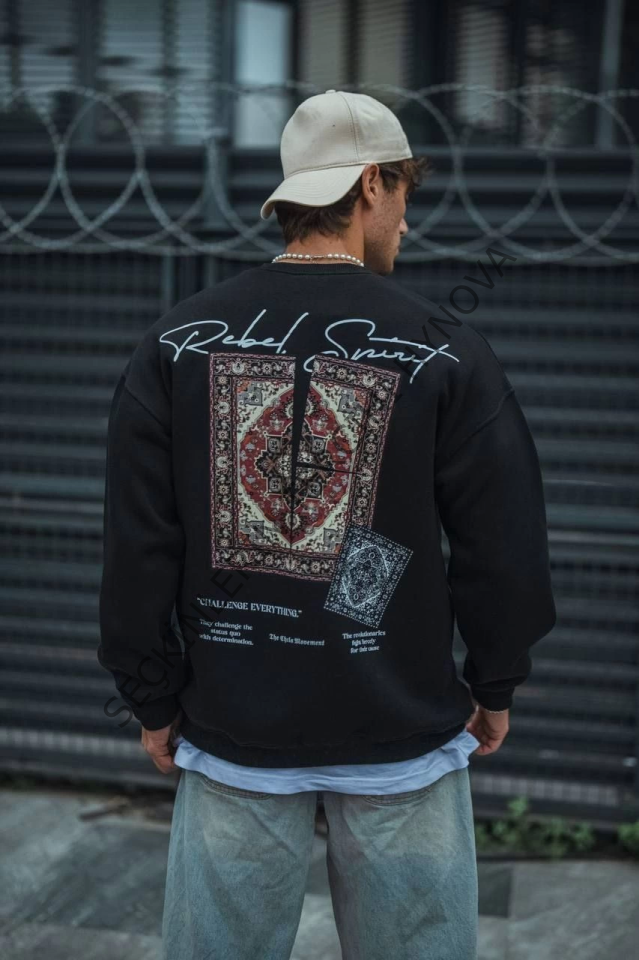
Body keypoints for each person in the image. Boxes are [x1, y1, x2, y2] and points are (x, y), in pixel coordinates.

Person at [97, 90, 556, 960]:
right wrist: (495, 681)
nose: (407, 223)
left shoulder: (175, 343)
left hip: (233, 735)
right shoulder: (445, 350)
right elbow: (501, 546)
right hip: (400, 740)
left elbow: (138, 545)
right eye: (405, 195)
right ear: (372, 184)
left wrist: (149, 693)